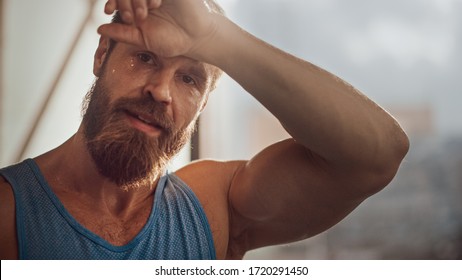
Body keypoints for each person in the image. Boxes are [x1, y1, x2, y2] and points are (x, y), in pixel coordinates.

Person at [0, 0, 409, 260]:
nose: (161, 91)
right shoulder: (9, 211)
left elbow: (378, 155)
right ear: (101, 55)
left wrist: (216, 37)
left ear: (204, 104)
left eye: (189, 79)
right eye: (144, 57)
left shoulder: (217, 206)